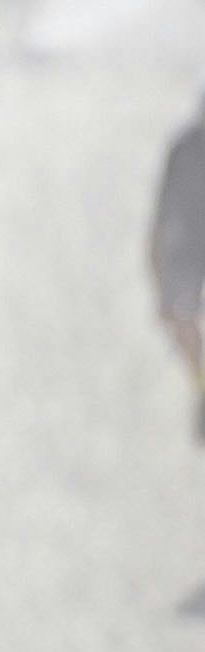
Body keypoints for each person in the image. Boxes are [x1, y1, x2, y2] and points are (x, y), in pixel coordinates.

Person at [151, 86, 205, 444]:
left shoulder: (183, 144)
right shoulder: (184, 145)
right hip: (186, 246)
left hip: (184, 245)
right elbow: (163, 206)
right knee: (183, 320)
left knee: (182, 319)